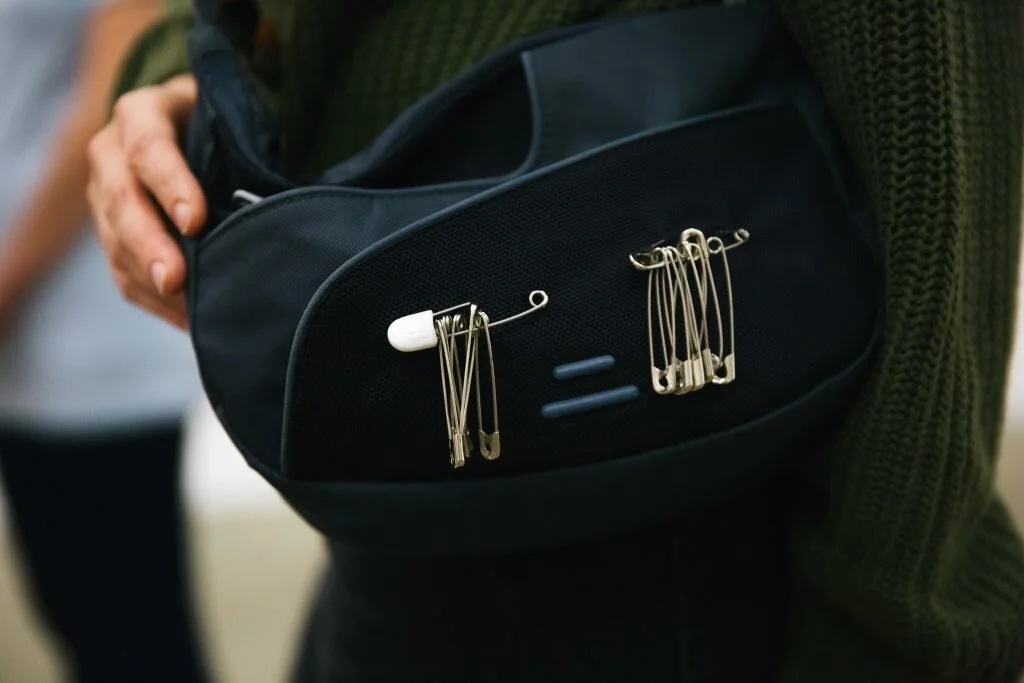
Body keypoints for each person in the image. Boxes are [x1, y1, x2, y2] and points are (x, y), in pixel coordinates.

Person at [87, 0, 1024, 681]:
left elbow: (937, 195)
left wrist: (888, 643)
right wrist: (179, 88)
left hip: (690, 555)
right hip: (395, 530)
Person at [0, 1, 210, 681]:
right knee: (72, 610)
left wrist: (7, 282)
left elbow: (115, 91)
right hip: (26, 341)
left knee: (127, 637)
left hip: (85, 338)